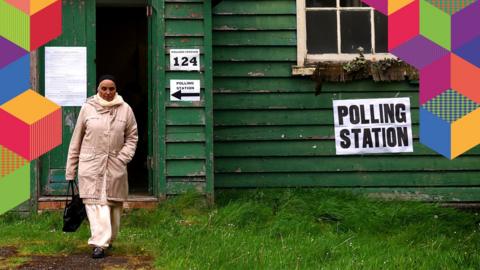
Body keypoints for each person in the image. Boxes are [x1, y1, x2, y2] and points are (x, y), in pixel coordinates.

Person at [65, 75, 138, 259]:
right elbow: (76, 140)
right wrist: (70, 169)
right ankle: (99, 243)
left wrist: (123, 157)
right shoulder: (87, 108)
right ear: (98, 89)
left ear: (116, 90)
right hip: (91, 165)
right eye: (103, 88)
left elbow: (132, 136)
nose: (107, 92)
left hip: (115, 164)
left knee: (113, 205)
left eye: (111, 89)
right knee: (95, 204)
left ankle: (109, 239)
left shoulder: (125, 109)